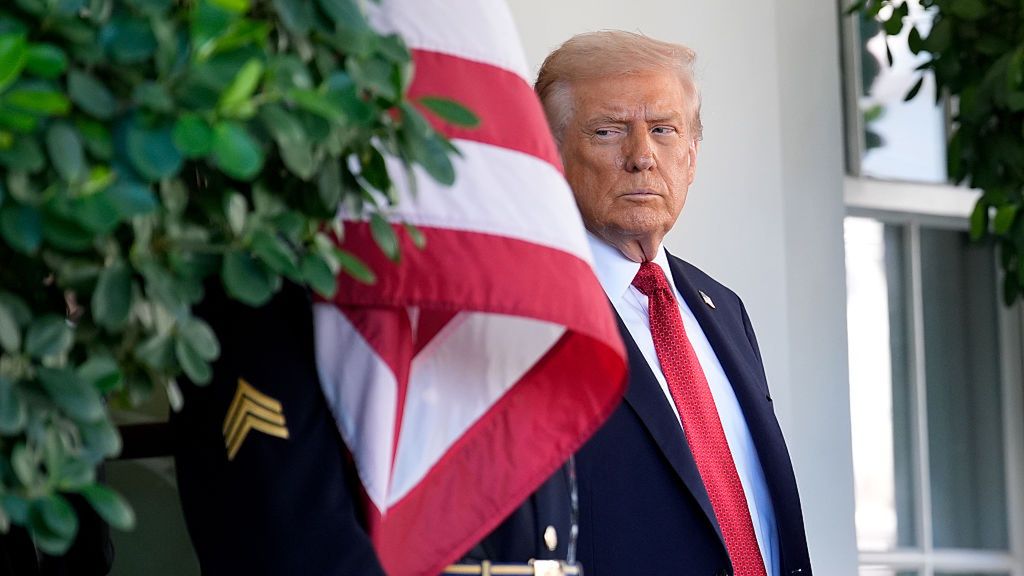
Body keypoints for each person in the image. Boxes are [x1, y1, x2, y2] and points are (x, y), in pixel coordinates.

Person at [535, 31, 813, 575]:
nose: (642, 156)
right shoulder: (530, 315)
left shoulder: (723, 310)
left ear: (692, 153)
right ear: (553, 155)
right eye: (608, 131)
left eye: (663, 129)